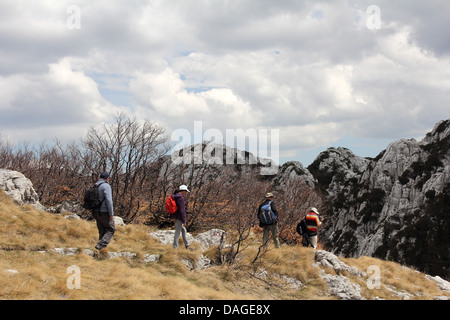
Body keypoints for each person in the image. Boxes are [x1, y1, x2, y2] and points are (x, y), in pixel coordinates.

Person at [93, 172, 115, 250]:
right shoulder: (106, 186)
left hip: (95, 212)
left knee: (102, 230)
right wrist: (111, 213)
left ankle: (101, 251)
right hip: (104, 211)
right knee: (111, 229)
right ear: (107, 178)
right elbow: (109, 200)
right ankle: (101, 244)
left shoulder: (95, 185)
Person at [172, 184, 191, 250]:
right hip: (179, 217)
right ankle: (175, 247)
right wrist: (184, 220)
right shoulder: (181, 198)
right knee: (177, 232)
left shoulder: (175, 196)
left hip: (175, 216)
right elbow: (182, 210)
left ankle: (187, 245)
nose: (186, 193)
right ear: (183, 191)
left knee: (183, 230)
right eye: (185, 191)